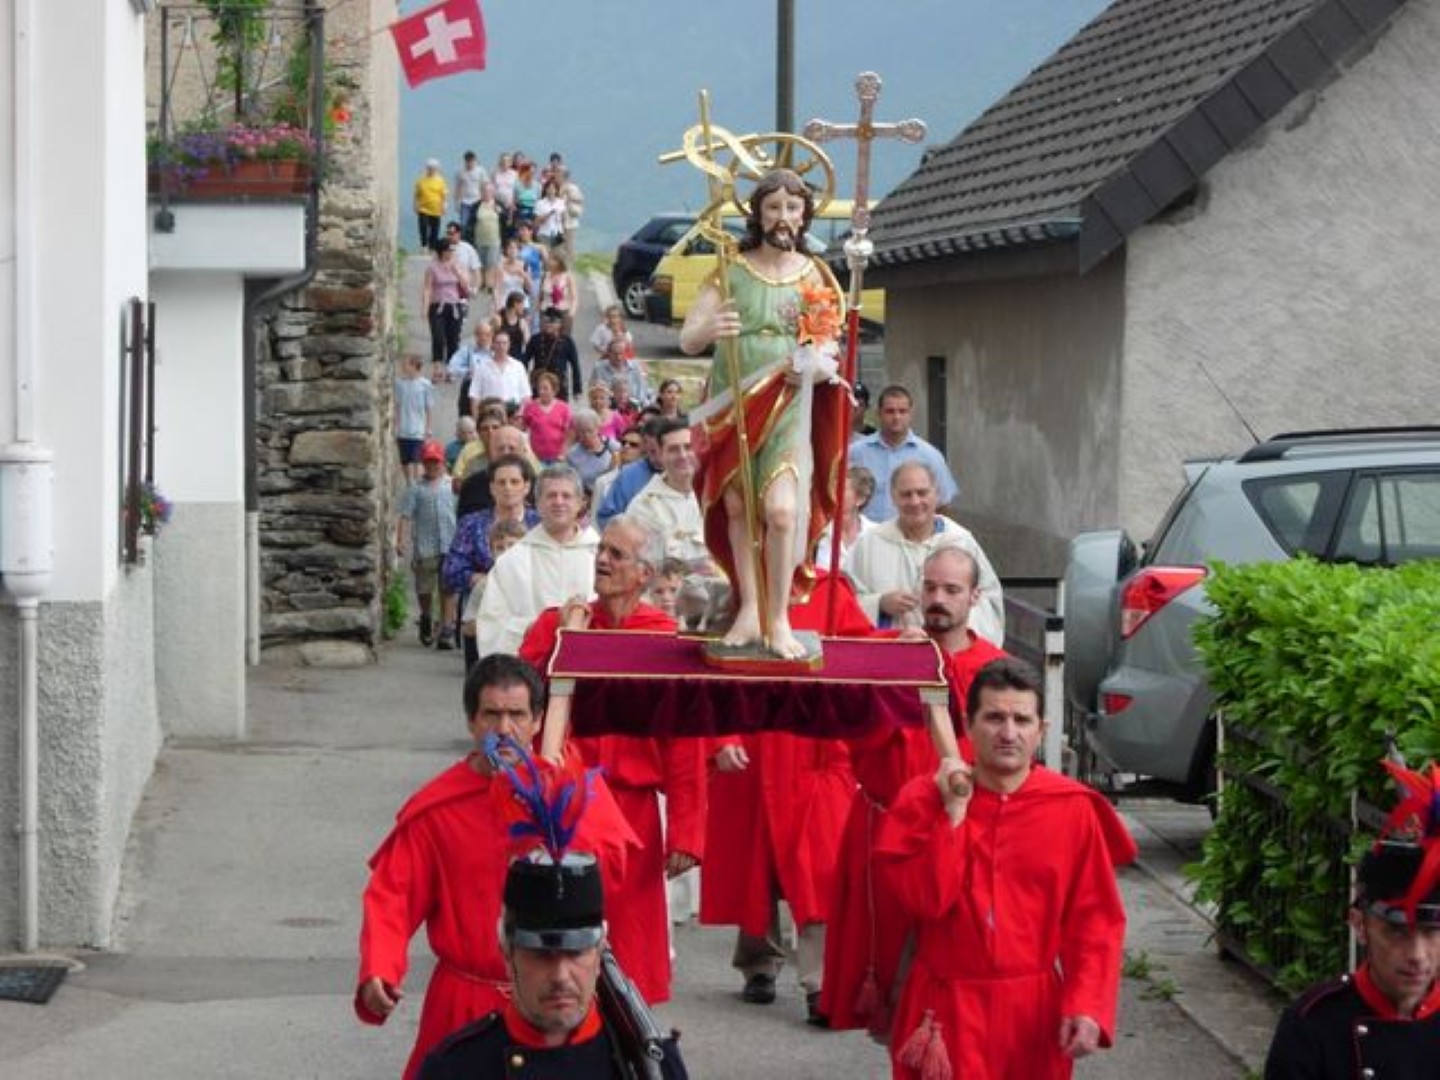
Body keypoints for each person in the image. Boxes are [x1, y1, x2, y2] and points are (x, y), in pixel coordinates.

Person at [355, 654, 638, 1080]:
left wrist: (566, 829)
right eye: (491, 714)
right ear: (472, 721)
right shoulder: (437, 809)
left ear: (537, 721)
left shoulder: (570, 792)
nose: (504, 728)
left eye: (517, 715)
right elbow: (392, 894)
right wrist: (380, 966)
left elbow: (614, 878)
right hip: (464, 1003)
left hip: (556, 1000)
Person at [875, 658, 1136, 1080]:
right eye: (994, 718)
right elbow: (927, 901)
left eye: (1022, 720)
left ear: (1041, 730)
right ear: (968, 724)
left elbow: (1095, 920)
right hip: (944, 1010)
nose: (1009, 733)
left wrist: (1087, 1004)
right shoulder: (922, 801)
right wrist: (954, 814)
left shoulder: (1072, 808)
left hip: (1033, 1015)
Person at [519, 515, 705, 1004]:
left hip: (633, 814)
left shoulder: (663, 640)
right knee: (563, 932)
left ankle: (625, 1035)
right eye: (601, 549)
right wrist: (562, 639)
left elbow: (685, 738)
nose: (601, 559)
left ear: (645, 573)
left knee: (630, 942)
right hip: (566, 804)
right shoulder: (561, 623)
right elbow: (521, 699)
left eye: (616, 554)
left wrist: (687, 830)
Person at [821, 545, 1008, 1034]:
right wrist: (894, 673)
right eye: (930, 587)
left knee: (955, 976)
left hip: (963, 835)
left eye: (952, 589)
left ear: (975, 597)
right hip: (890, 831)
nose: (938, 598)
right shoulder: (888, 655)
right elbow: (854, 736)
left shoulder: (995, 669)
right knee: (891, 980)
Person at [679, 168, 848, 660]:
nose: (783, 217)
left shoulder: (813, 273)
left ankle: (779, 616)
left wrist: (814, 364)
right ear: (758, 214)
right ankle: (750, 608)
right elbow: (689, 338)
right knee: (738, 507)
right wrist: (712, 326)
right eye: (773, 207)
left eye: (792, 208)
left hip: (787, 404)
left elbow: (829, 345)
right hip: (734, 402)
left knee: (781, 511)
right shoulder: (731, 270)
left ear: (805, 215)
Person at [701, 569, 870, 1023]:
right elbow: (716, 669)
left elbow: (862, 654)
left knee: (819, 866)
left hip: (816, 747)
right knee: (755, 863)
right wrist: (722, 737)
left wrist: (900, 642)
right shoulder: (744, 588)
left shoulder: (832, 592)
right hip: (754, 742)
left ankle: (821, 982)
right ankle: (758, 961)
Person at [418, 848, 690, 1079]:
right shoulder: (455, 1068)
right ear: (507, 954)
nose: (560, 975)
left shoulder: (654, 1065)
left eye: (576, 953)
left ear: (599, 953)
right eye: (542, 955)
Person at [1263, 779, 1440, 1079]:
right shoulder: (1314, 1022)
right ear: (1360, 924)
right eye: (1397, 932)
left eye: (1432, 931)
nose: (1417, 955)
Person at [848, 460, 1005, 646]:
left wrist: (950, 617)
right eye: (906, 494)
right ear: (893, 497)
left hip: (951, 655)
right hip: (890, 652)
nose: (915, 502)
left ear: (936, 494)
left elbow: (988, 600)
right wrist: (879, 603)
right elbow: (843, 603)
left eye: (922, 493)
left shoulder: (960, 541)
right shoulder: (870, 543)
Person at [476, 464, 598, 659]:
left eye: (566, 496)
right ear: (537, 503)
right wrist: (541, 627)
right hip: (530, 666)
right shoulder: (512, 561)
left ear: (580, 503)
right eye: (551, 496)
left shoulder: (600, 555)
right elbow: (492, 625)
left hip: (588, 663)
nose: (559, 502)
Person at [443, 453, 538, 668]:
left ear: (526, 487)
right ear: (492, 488)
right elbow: (451, 570)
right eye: (501, 482)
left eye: (514, 482)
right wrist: (477, 578)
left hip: (529, 619)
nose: (508, 488)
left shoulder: (539, 525)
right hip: (481, 615)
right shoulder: (472, 524)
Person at [848, 385, 958, 522]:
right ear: (879, 413)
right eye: (890, 411)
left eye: (902, 411)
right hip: (867, 534)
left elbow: (943, 505)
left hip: (910, 534)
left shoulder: (930, 456)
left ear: (911, 414)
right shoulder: (855, 452)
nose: (896, 417)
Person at [397, 440, 459, 649]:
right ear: (423, 463)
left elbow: (461, 511)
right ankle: (426, 615)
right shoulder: (416, 489)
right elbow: (405, 516)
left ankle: (446, 629)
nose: (433, 466)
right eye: (429, 462)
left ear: (443, 463)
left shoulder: (452, 485)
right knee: (425, 587)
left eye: (436, 462)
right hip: (425, 546)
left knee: (448, 587)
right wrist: (401, 540)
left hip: (450, 544)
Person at [626, 419, 710, 573]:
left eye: (688, 447)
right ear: (660, 455)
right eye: (673, 449)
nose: (682, 455)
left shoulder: (716, 496)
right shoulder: (642, 506)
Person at [595, 414, 665, 529]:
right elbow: (605, 518)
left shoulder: (683, 472)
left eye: (661, 450)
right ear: (645, 446)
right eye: (652, 451)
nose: (657, 458)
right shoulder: (628, 475)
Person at [814, 465, 878, 574]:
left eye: (840, 489)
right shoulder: (819, 534)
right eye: (832, 488)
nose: (832, 494)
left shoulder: (875, 534)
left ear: (860, 499)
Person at [422, 238, 469, 384]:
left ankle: (450, 370)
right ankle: (437, 369)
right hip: (438, 305)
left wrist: (456, 271)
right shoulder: (432, 267)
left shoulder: (457, 265)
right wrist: (425, 307)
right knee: (438, 337)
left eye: (452, 250)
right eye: (449, 250)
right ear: (442, 252)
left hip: (454, 306)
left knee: (453, 339)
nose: (451, 253)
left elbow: (466, 285)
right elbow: (427, 288)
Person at [524, 307, 582, 402]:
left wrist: (577, 389)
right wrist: (523, 385)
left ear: (560, 324)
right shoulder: (535, 339)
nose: (548, 325)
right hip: (540, 383)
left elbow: (575, 366)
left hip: (559, 385)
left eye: (552, 322)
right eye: (546, 322)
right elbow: (524, 361)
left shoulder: (567, 341)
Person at [469, 329, 531, 416]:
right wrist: (476, 418)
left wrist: (520, 415)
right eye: (498, 343)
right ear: (492, 344)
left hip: (513, 414)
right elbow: (474, 396)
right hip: (490, 414)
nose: (501, 346)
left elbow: (526, 396)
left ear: (509, 345)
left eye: (504, 343)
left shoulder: (518, 366)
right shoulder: (481, 367)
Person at [394, 355, 434, 485]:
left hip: (418, 429)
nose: (403, 367)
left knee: (417, 459)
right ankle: (409, 483)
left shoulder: (425, 385)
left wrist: (428, 428)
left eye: (406, 364)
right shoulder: (399, 384)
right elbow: (397, 406)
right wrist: (396, 425)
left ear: (414, 366)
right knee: (405, 460)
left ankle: (419, 483)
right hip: (403, 429)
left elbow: (428, 408)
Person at [520, 371, 572, 466]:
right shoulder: (530, 407)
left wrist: (563, 453)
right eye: (539, 388)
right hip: (536, 458)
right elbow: (523, 430)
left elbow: (569, 434)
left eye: (545, 388)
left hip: (558, 458)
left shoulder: (564, 408)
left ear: (554, 390)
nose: (541, 391)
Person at [589, 338, 649, 419]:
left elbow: (642, 392)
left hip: (632, 409)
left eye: (621, 353)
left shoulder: (635, 367)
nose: (619, 357)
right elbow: (593, 391)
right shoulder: (599, 368)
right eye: (615, 354)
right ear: (609, 353)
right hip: (607, 410)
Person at [565, 407, 618, 496]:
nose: (586, 435)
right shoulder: (572, 454)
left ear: (598, 429)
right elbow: (572, 482)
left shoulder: (611, 445)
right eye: (582, 431)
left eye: (590, 431)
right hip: (587, 496)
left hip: (610, 493)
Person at [452, 151, 488, 244]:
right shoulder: (460, 172)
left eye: (471, 161)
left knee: (477, 223)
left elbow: (484, 186)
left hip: (478, 200)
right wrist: (456, 203)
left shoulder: (481, 171)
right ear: (465, 161)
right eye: (468, 161)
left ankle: (476, 243)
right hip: (465, 202)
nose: (470, 163)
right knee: (464, 224)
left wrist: (486, 200)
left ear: (475, 160)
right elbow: (458, 187)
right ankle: (463, 243)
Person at [413, 157, 447, 251]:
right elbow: (416, 194)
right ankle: (424, 244)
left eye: (433, 168)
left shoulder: (440, 181)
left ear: (437, 169)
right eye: (429, 168)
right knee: (423, 226)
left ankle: (432, 246)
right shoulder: (421, 180)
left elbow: (444, 195)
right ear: (426, 168)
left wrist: (444, 206)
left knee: (435, 229)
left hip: (436, 209)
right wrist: (415, 205)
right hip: (423, 208)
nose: (431, 170)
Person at [534, 177, 567, 248]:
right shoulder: (540, 203)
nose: (551, 190)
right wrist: (549, 214)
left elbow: (564, 219)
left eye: (553, 188)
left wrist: (564, 232)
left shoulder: (561, 202)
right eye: (548, 188)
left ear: (556, 190)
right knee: (546, 252)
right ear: (545, 190)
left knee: (558, 253)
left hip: (558, 233)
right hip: (544, 233)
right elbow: (536, 221)